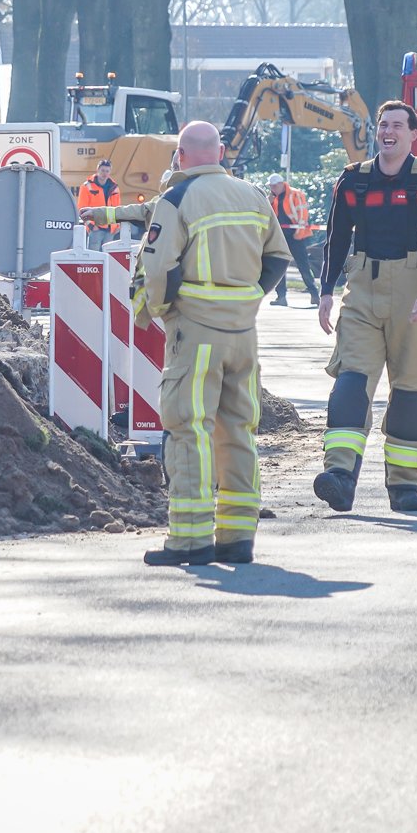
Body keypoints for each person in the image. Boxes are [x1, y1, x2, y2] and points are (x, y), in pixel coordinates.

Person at [128, 120, 291, 566]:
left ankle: (190, 540)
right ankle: (237, 538)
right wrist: (250, 296)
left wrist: (160, 310)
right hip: (245, 333)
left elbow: (159, 269)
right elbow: (278, 257)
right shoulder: (254, 195)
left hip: (195, 332)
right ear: (219, 153)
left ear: (181, 156)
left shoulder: (176, 199)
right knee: (238, 429)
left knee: (188, 428)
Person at [313, 101, 417, 516]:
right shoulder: (352, 180)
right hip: (363, 289)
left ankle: (406, 486)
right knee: (350, 382)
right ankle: (339, 476)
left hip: (416, 289)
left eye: (397, 125)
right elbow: (336, 238)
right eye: (382, 125)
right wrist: (325, 291)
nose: (387, 131)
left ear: (413, 134)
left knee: (409, 390)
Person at [266, 173, 319, 305]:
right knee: (279, 265)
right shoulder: (272, 197)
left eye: (273, 186)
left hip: (295, 235)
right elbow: (267, 213)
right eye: (270, 186)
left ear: (280, 184)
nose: (272, 189)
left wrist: (299, 232)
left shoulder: (295, 194)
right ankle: (281, 297)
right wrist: (269, 201)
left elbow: (302, 214)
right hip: (280, 236)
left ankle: (314, 294)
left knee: (303, 265)